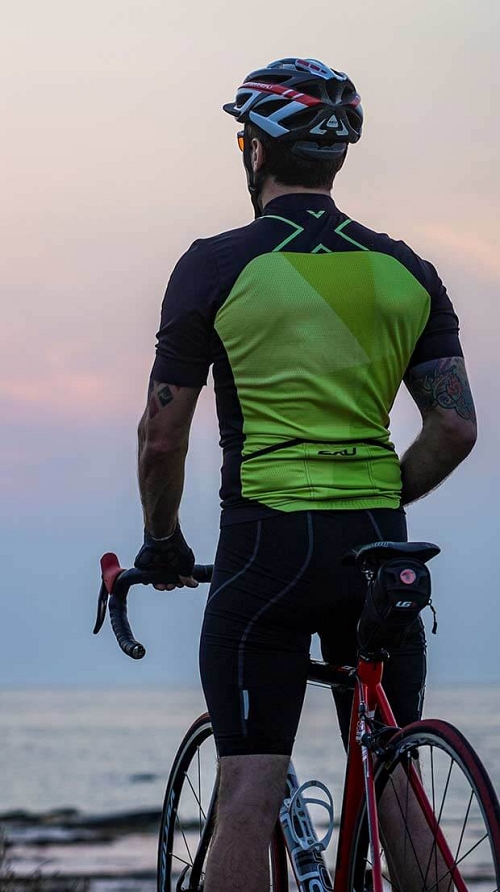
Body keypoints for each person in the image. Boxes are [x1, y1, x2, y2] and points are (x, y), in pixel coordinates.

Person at [134, 57, 477, 892]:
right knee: (395, 778)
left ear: (254, 151)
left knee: (248, 794)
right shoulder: (409, 272)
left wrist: (162, 541)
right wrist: (378, 496)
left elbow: (160, 437)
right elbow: (455, 427)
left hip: (267, 551)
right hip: (380, 549)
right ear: (338, 157)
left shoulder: (215, 266)